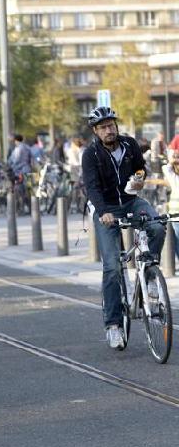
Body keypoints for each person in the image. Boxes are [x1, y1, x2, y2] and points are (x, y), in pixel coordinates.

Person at [82, 106, 165, 350]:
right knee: (112, 267)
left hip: (131, 200)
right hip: (106, 207)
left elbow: (141, 167)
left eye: (112, 125)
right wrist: (103, 211)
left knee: (157, 226)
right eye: (104, 127)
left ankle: (149, 273)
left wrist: (139, 177)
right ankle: (114, 325)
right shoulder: (91, 155)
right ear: (96, 132)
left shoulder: (129, 145)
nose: (109, 130)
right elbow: (92, 188)